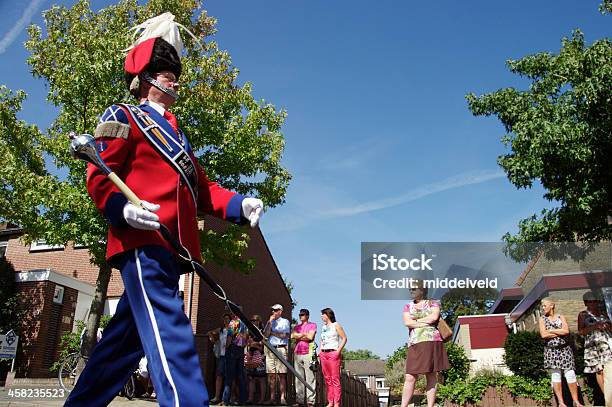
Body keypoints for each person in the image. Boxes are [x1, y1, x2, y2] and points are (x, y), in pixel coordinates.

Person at [64, 13, 264, 407]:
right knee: (170, 329)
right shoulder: (122, 115)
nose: (173, 80)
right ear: (146, 78)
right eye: (165, 72)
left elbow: (202, 191)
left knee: (125, 342)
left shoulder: (177, 134)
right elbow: (99, 174)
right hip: (141, 240)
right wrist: (122, 209)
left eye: (174, 73)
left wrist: (240, 203)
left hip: (174, 249)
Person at [400, 280, 449, 407]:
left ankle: (430, 406)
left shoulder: (433, 303)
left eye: (414, 289)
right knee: (410, 376)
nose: (411, 291)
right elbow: (407, 322)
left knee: (431, 375)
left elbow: (434, 317)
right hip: (415, 343)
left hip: (432, 341)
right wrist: (424, 322)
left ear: (422, 290)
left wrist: (416, 320)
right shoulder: (407, 306)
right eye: (410, 289)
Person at [539, 297, 583, 407]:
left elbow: (566, 331)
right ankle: (561, 403)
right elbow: (543, 335)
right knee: (556, 375)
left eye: (544, 305)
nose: (543, 308)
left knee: (570, 374)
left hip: (565, 349)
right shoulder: (542, 319)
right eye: (542, 306)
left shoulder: (560, 317)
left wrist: (550, 330)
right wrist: (559, 331)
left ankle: (576, 401)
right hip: (551, 350)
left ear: (552, 305)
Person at [578, 291, 612, 403]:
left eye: (595, 301)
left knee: (609, 369)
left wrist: (607, 326)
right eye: (590, 301)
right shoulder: (583, 315)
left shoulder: (603, 313)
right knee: (599, 370)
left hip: (606, 344)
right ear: (586, 303)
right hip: (593, 347)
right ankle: (607, 398)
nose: (593, 303)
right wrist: (595, 327)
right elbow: (581, 331)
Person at [263, 304, 291, 404]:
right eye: (273, 310)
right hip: (270, 349)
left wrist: (273, 333)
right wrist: (269, 322)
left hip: (281, 349)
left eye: (275, 310)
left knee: (281, 374)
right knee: (271, 375)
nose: (273, 312)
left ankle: (282, 397)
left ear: (280, 311)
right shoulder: (270, 322)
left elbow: (285, 335)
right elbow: (265, 335)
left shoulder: (285, 322)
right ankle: (272, 398)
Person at [320, 308, 347, 407]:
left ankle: (336, 403)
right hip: (323, 354)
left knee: (335, 379)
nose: (322, 316)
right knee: (327, 379)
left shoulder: (336, 325)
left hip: (333, 353)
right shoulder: (323, 327)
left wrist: (338, 351)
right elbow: (322, 339)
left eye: (323, 314)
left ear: (328, 315)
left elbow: (344, 338)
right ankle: (330, 401)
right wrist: (320, 351)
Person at [291, 308, 317, 407]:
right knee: (298, 378)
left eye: (303, 314)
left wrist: (299, 336)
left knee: (310, 377)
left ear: (307, 316)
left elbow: (310, 337)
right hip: (297, 353)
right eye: (300, 315)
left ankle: (311, 401)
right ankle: (300, 400)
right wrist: (303, 335)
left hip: (308, 353)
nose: (301, 316)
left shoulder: (312, 325)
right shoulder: (297, 327)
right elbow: (292, 336)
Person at [223, 312, 248, 406]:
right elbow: (246, 338)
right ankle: (243, 400)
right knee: (240, 376)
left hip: (233, 349)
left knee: (229, 376)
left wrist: (226, 348)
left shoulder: (233, 322)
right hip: (241, 350)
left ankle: (225, 400)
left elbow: (230, 336)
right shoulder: (244, 323)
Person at [210, 313, 231, 404]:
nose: (226, 320)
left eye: (227, 319)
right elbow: (210, 333)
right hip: (222, 355)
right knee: (219, 375)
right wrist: (212, 338)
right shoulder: (221, 330)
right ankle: (216, 396)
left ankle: (228, 397)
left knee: (229, 377)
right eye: (224, 319)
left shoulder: (232, 330)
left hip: (229, 356)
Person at [245, 315, 267, 405]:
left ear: (259, 321)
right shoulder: (249, 331)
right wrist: (254, 344)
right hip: (250, 355)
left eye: (255, 320)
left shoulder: (262, 332)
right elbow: (247, 343)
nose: (253, 322)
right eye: (252, 320)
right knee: (251, 378)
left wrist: (255, 344)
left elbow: (263, 344)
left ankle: (261, 400)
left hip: (260, 356)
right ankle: (250, 399)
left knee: (261, 378)